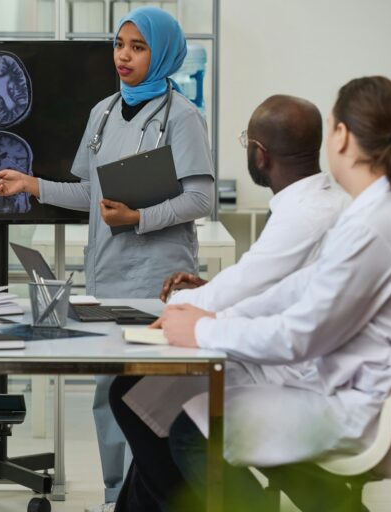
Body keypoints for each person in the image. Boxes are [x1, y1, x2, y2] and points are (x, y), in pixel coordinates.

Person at [113, 76, 391, 511]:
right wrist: (212, 321)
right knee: (191, 405)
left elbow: (298, 336)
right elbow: (302, 287)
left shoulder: (373, 225)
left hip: (372, 409)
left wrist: (205, 330)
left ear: (340, 136)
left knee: (195, 428)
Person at [0, 7, 214, 510]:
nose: (124, 56)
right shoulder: (103, 112)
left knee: (147, 399)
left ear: (164, 54)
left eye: (138, 47)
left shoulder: (184, 117)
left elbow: (201, 200)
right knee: (107, 396)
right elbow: (91, 192)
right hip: (107, 274)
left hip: (157, 276)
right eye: (119, 44)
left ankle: (147, 497)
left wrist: (139, 218)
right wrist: (32, 185)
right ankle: (118, 496)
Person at [120, 94, 350, 441]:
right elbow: (272, 282)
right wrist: (209, 289)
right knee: (145, 398)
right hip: (290, 350)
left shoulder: (304, 216)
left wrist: (172, 310)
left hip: (291, 370)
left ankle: (185, 495)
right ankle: (139, 500)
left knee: (141, 397)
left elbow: (249, 282)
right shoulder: (325, 200)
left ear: (260, 153)